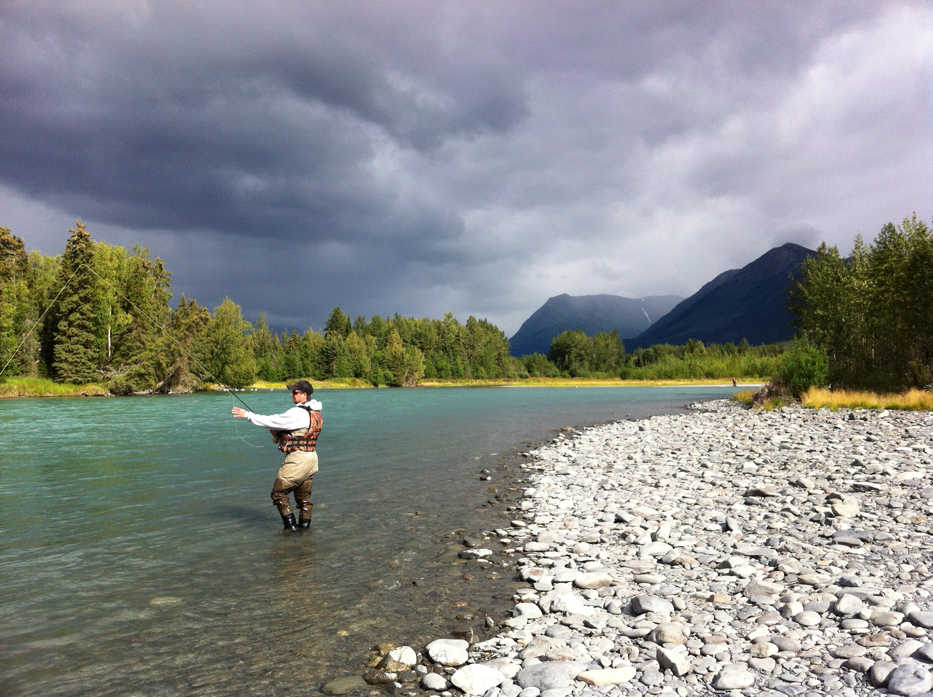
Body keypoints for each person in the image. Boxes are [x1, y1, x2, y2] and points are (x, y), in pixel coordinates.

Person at [232, 380, 323, 532]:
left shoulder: (298, 412)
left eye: (295, 392)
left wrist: (247, 415)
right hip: (312, 459)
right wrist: (280, 433)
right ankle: (305, 531)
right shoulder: (316, 413)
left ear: (305, 395)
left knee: (278, 493)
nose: (292, 394)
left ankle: (291, 529)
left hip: (298, 460)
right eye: (292, 391)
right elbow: (300, 434)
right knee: (304, 499)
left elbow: (272, 420)